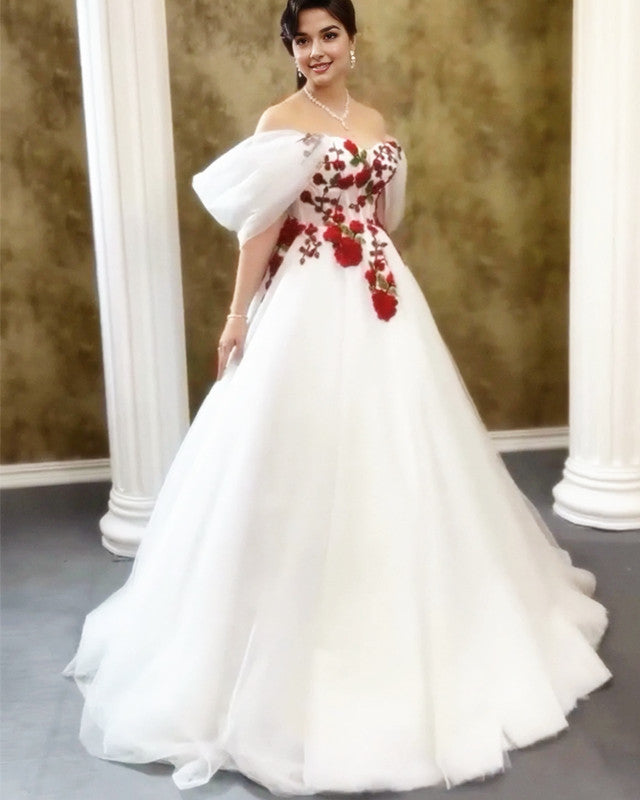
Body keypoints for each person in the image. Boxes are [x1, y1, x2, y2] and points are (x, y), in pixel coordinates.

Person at [63, 0, 611, 794]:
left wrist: (379, 267)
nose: (316, 51)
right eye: (302, 40)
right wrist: (237, 316)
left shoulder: (374, 119)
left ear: (353, 41)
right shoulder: (281, 121)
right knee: (296, 455)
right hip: (308, 297)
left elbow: (385, 216)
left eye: (329, 36)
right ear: (291, 50)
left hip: (378, 293)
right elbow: (259, 228)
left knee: (399, 448)